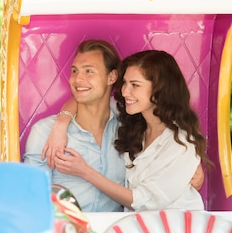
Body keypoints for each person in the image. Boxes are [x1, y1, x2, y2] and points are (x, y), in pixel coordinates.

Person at [52, 49, 209, 211]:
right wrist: (61, 124)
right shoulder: (132, 119)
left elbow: (143, 202)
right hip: (139, 228)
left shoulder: (180, 141)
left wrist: (85, 171)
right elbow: (85, 98)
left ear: (160, 89)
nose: (125, 92)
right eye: (125, 83)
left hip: (177, 229)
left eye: (135, 85)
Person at [24, 40, 126, 212]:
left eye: (89, 71)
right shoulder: (45, 132)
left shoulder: (129, 130)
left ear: (111, 77)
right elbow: (32, 198)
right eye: (74, 71)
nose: (78, 79)